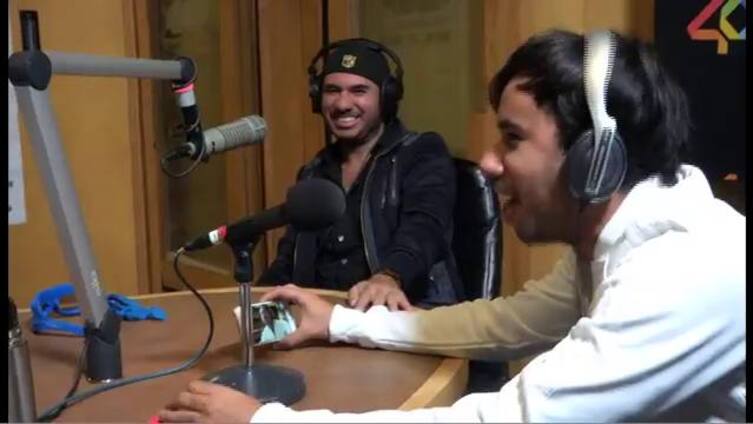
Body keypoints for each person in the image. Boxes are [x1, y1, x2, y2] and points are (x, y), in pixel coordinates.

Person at [158, 29, 745, 422]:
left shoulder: (680, 270)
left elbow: (507, 419)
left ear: (595, 158)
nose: (488, 162)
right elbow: (507, 322)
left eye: (512, 138)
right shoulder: (615, 245)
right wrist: (337, 320)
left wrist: (263, 422)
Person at [256, 37, 464, 311]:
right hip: (325, 319)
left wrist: (389, 277)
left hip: (403, 313)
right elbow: (288, 259)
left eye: (359, 91)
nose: (343, 103)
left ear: (386, 98)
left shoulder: (421, 153)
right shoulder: (314, 172)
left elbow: (424, 228)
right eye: (332, 90)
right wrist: (254, 302)